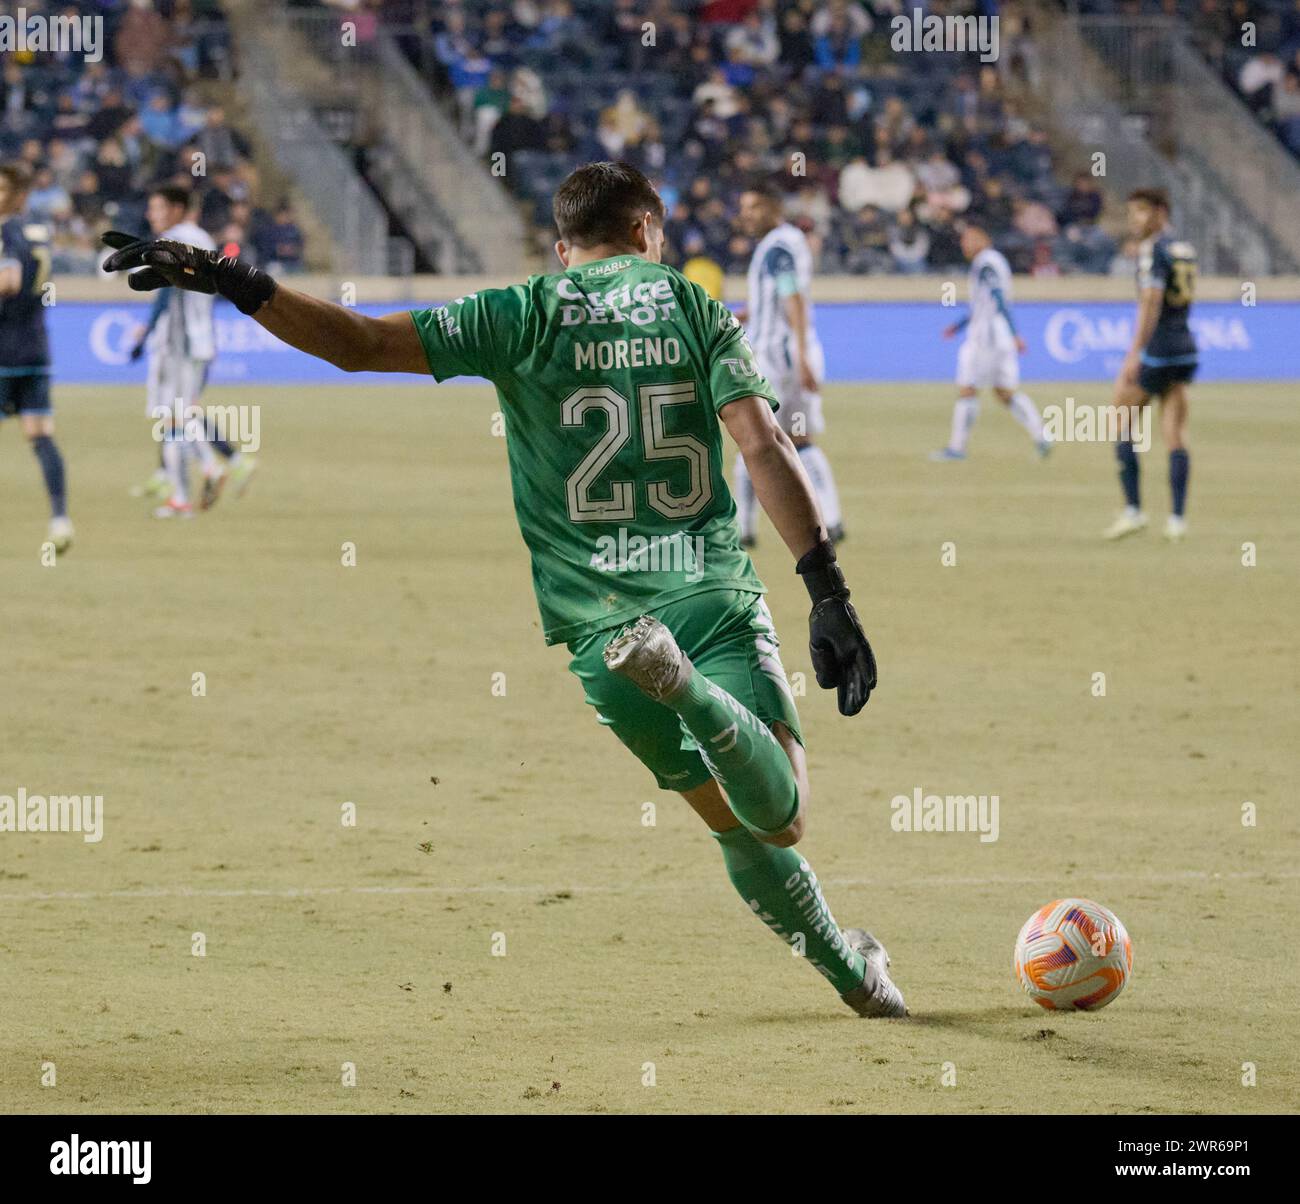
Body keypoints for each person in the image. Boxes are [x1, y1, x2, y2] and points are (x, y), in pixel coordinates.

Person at [102, 161, 907, 1018]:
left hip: (600, 635)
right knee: (779, 816)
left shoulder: (520, 312)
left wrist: (237, 280)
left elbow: (361, 344)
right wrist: (827, 589)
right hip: (704, 597)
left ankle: (852, 974)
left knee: (726, 821)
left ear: (563, 249)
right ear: (646, 231)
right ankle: (696, 694)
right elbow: (762, 446)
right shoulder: (692, 305)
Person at [733, 183, 844, 546]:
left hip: (774, 358)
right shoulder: (789, 241)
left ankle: (744, 528)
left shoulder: (777, 246)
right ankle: (833, 518)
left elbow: (791, 297)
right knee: (800, 439)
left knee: (753, 438)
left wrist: (799, 354)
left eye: (754, 207)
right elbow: (780, 297)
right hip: (790, 354)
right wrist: (752, 313)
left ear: (773, 208)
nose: (746, 215)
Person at [1103, 188, 1197, 542]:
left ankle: (1133, 510)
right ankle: (1176, 519)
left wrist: (1134, 353)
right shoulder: (1184, 248)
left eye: (1140, 212)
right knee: (1174, 432)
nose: (1134, 220)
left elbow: (1151, 302)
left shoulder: (1152, 251)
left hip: (1157, 349)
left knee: (1120, 418)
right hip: (1185, 347)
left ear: (1160, 212)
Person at [931, 223, 1050, 461]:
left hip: (986, 337)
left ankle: (957, 448)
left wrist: (1016, 333)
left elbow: (997, 298)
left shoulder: (985, 263)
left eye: (969, 239)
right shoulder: (995, 261)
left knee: (967, 389)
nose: (964, 244)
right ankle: (1042, 436)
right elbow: (983, 305)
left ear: (982, 240)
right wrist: (957, 327)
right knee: (1005, 392)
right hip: (999, 335)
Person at [0, 162, 72, 554]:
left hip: (4, 350)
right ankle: (60, 518)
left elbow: (8, 282)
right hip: (36, 348)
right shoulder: (38, 232)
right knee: (41, 435)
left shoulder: (6, 231)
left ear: (19, 195)